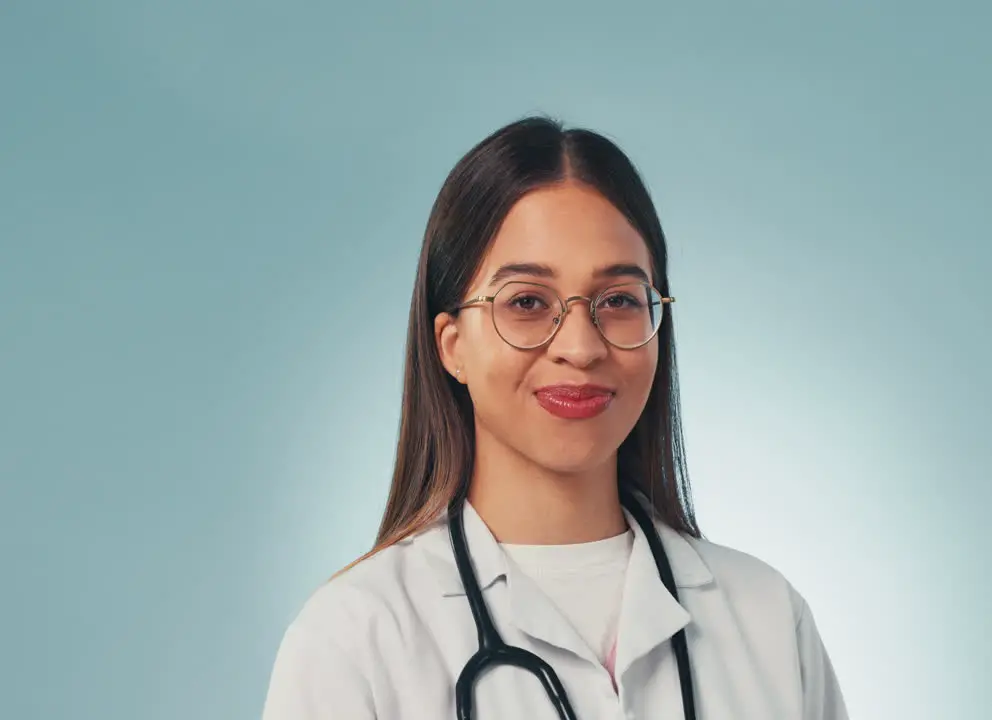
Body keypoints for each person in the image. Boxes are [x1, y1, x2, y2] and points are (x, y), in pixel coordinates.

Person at [261, 116, 849, 720]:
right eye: (527, 302)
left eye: (618, 301)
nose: (581, 345)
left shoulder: (768, 619)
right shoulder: (356, 639)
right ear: (452, 345)